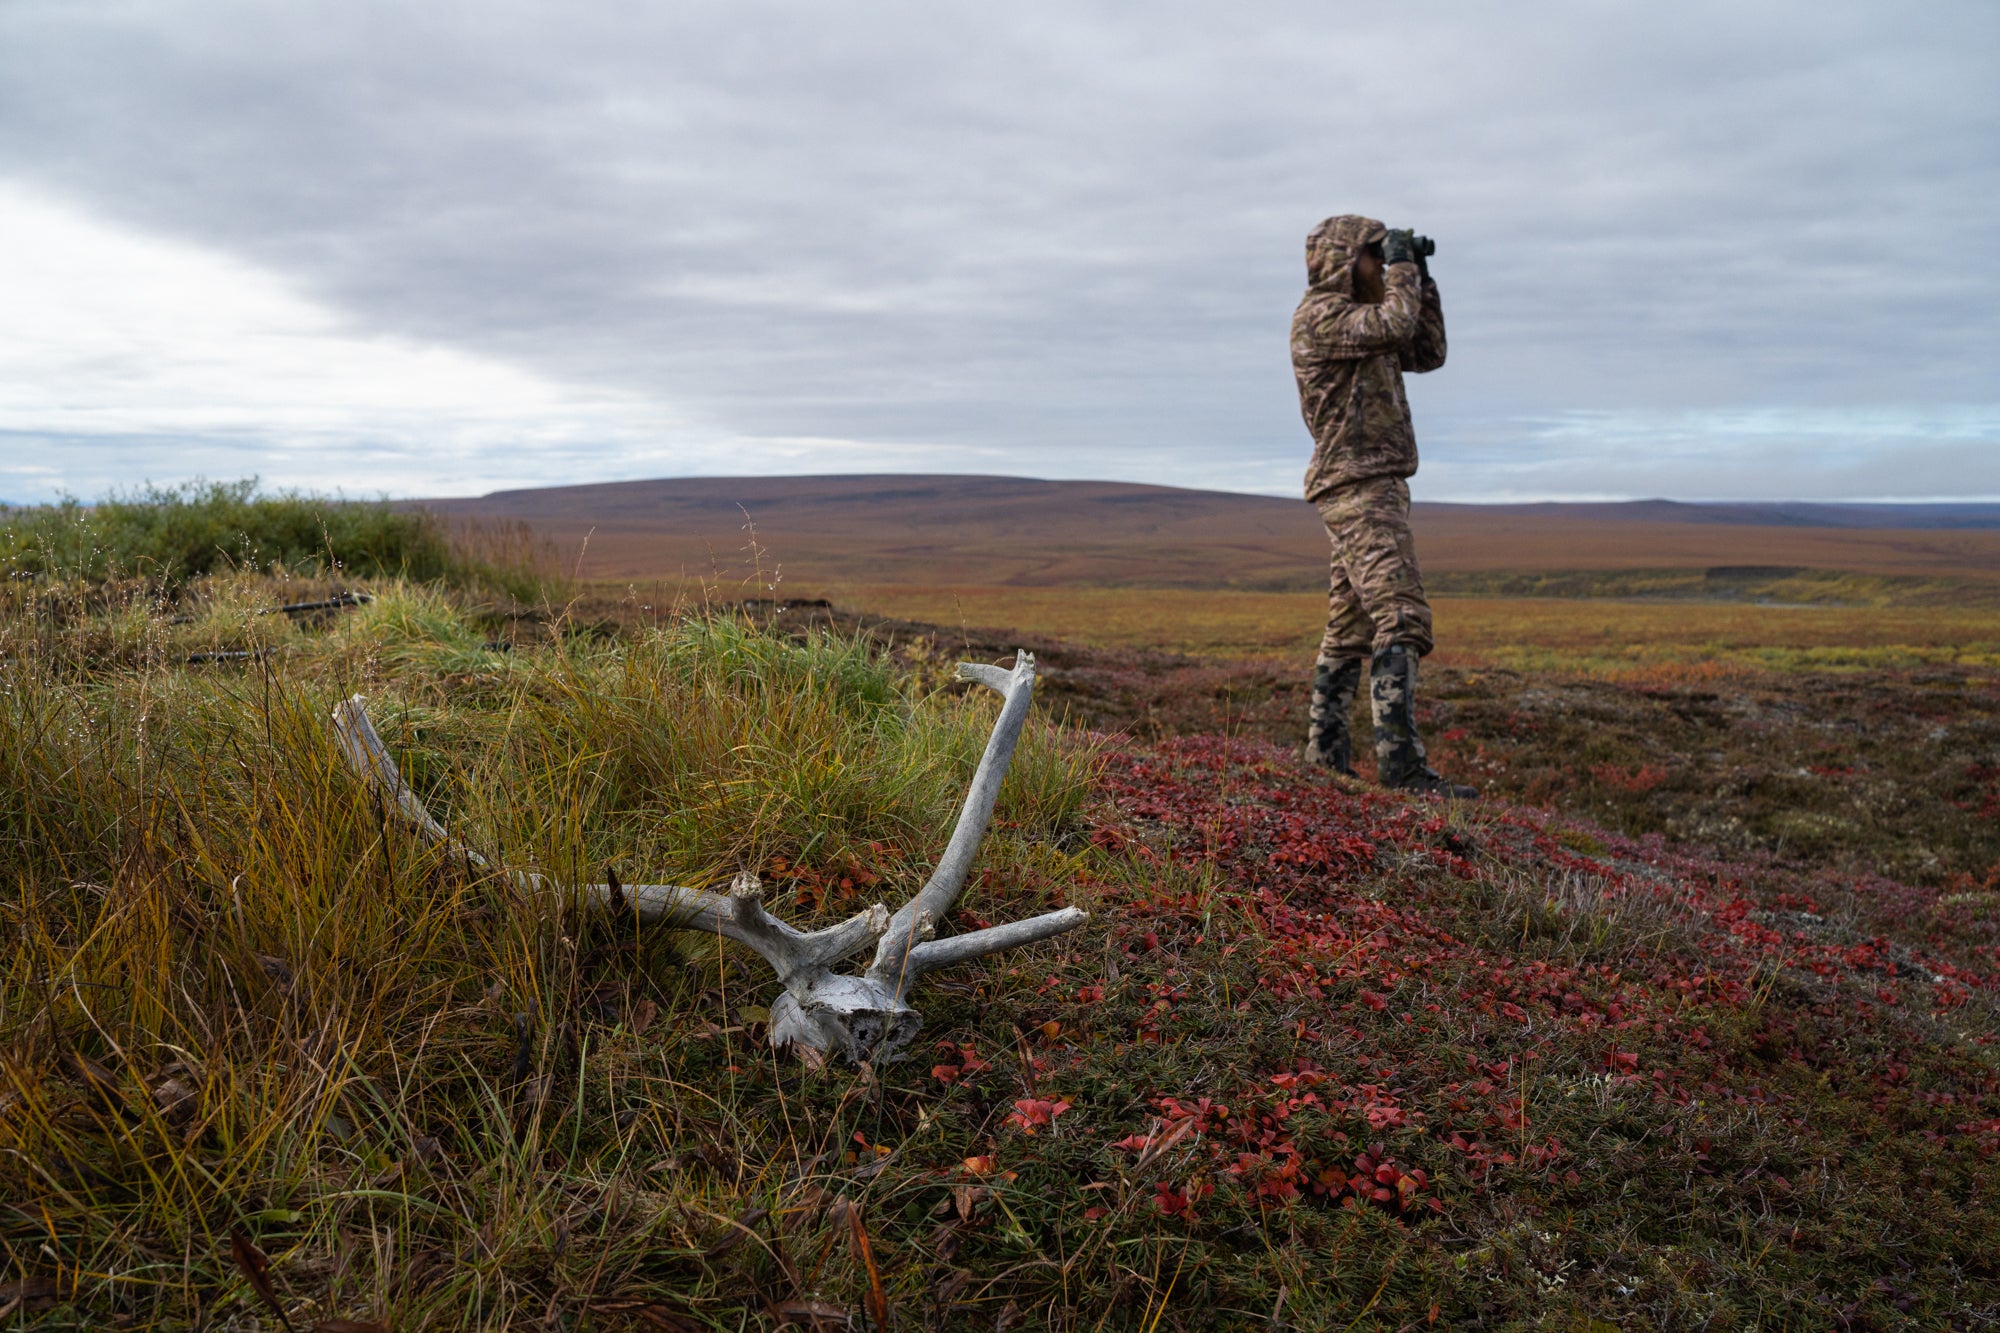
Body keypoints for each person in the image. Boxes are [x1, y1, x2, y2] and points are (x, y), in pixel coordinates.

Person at [1290, 214, 1474, 797]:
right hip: (1356, 485)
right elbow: (1396, 323)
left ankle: (1325, 759)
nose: (1381, 265)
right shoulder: (1323, 317)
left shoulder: (1366, 322)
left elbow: (1427, 348)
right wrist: (1401, 269)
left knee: (1350, 627)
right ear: (1345, 260)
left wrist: (1418, 272)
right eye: (1374, 255)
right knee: (1402, 613)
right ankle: (1401, 768)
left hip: (1376, 481)